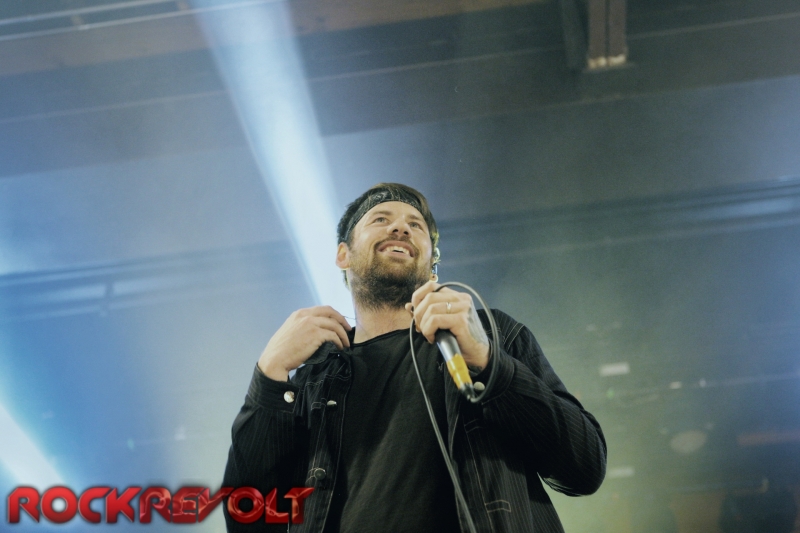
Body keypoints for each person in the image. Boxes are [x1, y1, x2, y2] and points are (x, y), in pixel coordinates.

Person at [222, 183, 607, 532]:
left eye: (415, 225)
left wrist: (488, 362)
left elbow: (584, 467)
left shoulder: (493, 335)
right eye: (381, 219)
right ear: (343, 254)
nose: (400, 228)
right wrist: (268, 377)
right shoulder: (314, 380)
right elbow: (249, 520)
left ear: (432, 262)